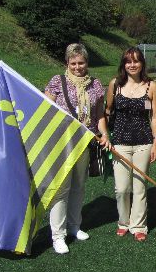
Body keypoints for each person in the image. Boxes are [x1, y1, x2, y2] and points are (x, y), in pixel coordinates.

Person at [44, 43, 110, 254]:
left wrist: (104, 134)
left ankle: (74, 226)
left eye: (81, 62)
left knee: (79, 186)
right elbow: (46, 111)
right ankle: (58, 235)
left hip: (85, 142)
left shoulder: (95, 84)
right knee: (61, 189)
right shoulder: (57, 81)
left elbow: (99, 115)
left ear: (87, 63)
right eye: (73, 63)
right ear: (67, 63)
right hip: (62, 142)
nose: (77, 67)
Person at [106, 47, 156, 242]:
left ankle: (138, 225)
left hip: (143, 143)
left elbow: (155, 116)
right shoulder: (115, 84)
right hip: (120, 142)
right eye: (128, 61)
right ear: (124, 64)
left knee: (139, 187)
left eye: (136, 61)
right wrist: (105, 135)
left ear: (142, 63)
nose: (132, 65)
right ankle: (123, 222)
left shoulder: (152, 86)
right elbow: (107, 111)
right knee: (121, 188)